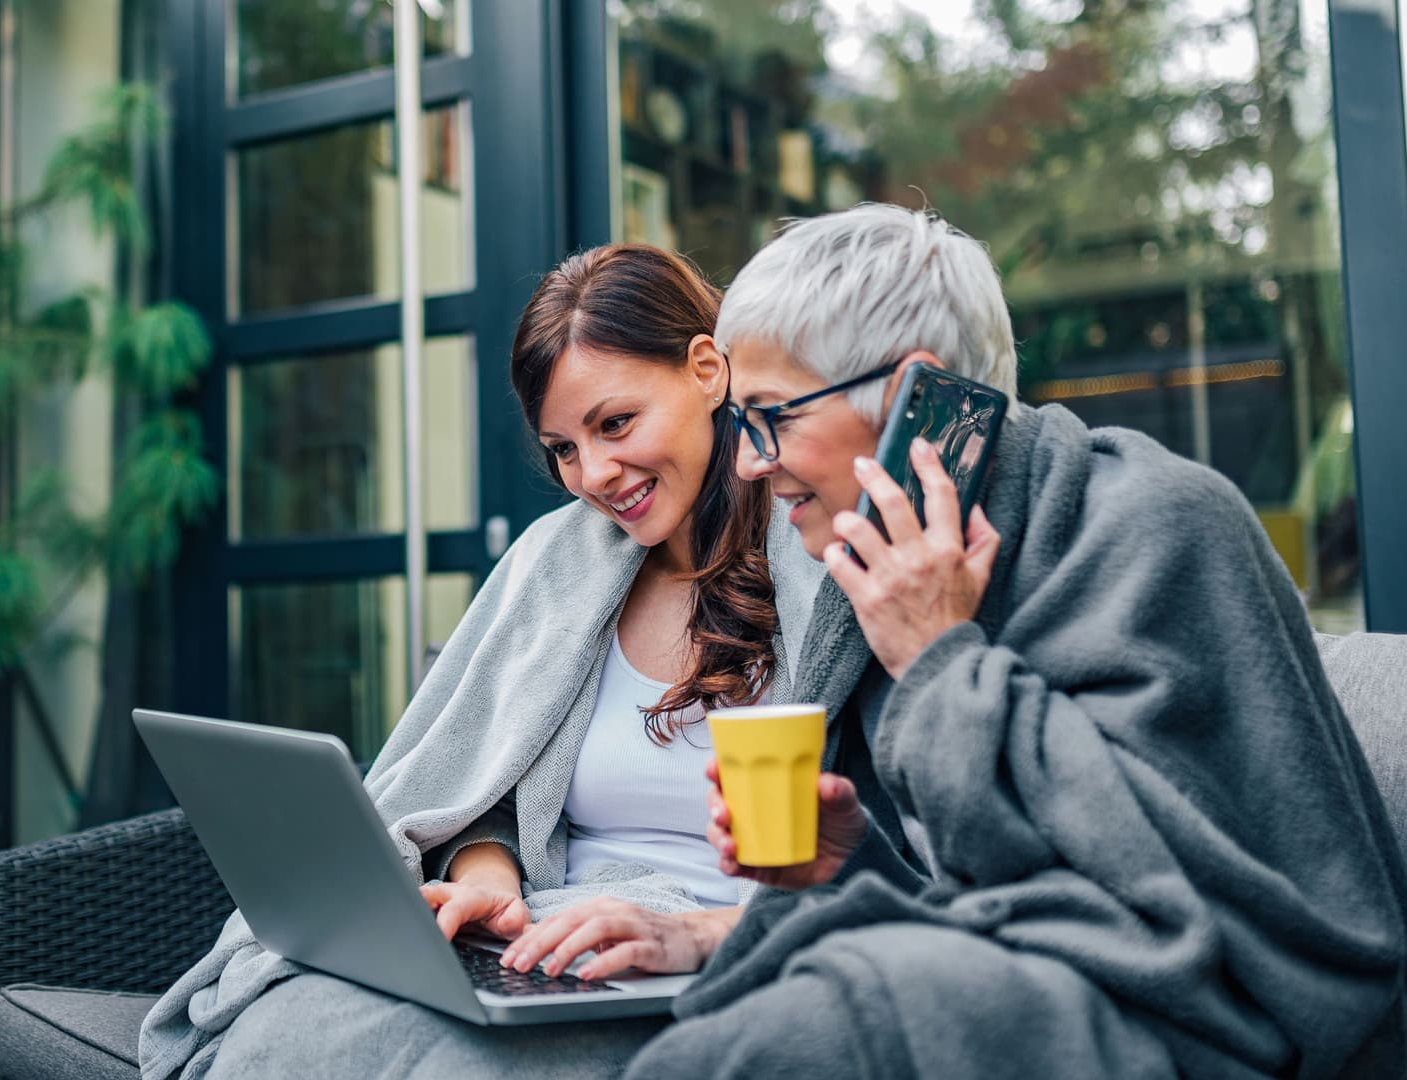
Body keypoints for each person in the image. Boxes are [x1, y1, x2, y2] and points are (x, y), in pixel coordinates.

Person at [523, 203, 1407, 1077]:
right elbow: (976, 895)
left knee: (811, 1029)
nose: (750, 461)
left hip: (1221, 1013)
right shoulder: (886, 569)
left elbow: (1162, 901)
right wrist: (846, 860)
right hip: (1035, 973)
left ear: (921, 394)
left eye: (773, 418)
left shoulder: (1158, 523)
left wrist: (939, 662)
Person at [138, 245, 813, 1080]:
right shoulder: (557, 568)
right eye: (563, 449)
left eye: (615, 424)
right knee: (294, 1023)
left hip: (712, 960)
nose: (594, 476)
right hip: (547, 940)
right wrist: (491, 878)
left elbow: (889, 853)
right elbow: (480, 790)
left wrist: (693, 934)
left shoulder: (822, 561)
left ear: (708, 369)